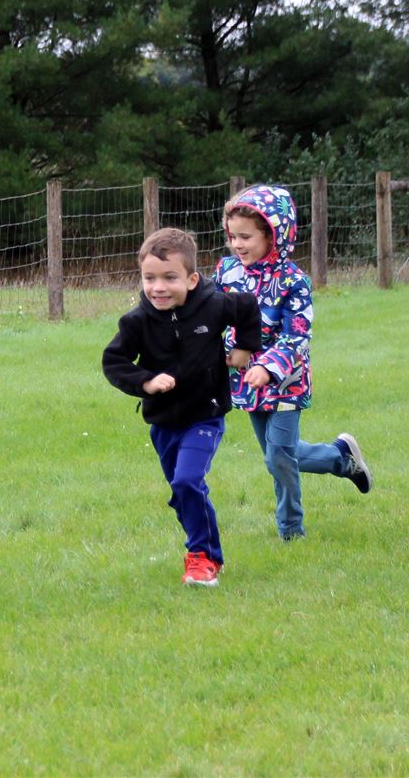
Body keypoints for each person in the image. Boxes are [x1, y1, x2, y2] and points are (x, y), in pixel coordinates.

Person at [102, 227, 262, 587]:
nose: (158, 287)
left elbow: (249, 308)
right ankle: (200, 539)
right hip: (163, 423)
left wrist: (245, 349)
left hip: (205, 414)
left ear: (191, 279)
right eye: (150, 278)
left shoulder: (214, 304)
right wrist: (145, 381)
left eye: (169, 277)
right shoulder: (135, 322)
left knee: (188, 480)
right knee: (182, 491)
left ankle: (204, 558)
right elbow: (113, 362)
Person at [212, 185, 373, 541]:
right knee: (281, 455)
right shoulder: (227, 272)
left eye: (246, 237)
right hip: (245, 383)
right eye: (232, 237)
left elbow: (297, 336)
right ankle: (341, 459)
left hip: (285, 382)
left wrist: (269, 367)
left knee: (278, 459)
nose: (237, 245)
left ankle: (291, 531)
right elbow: (210, 313)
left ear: (274, 235)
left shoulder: (293, 282)